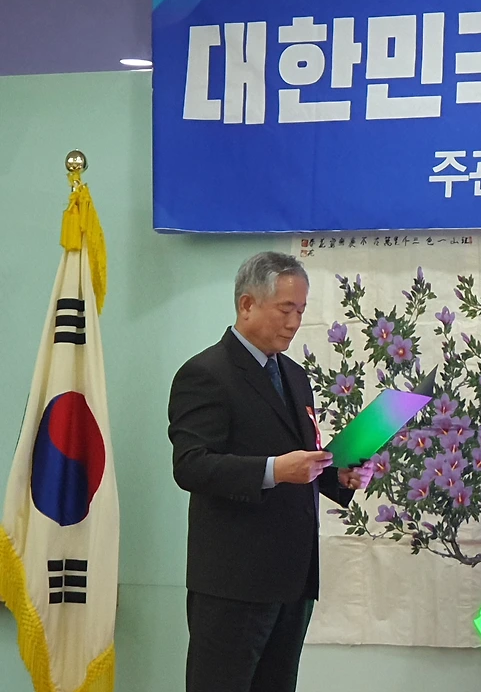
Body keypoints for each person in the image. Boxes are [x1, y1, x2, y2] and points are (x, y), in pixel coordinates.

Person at [169, 251, 369, 692]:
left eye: (301, 310)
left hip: (292, 577)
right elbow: (191, 465)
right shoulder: (205, 373)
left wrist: (339, 475)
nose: (295, 322)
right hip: (233, 581)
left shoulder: (294, 375)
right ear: (247, 305)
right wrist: (274, 470)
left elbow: (300, 456)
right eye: (285, 309)